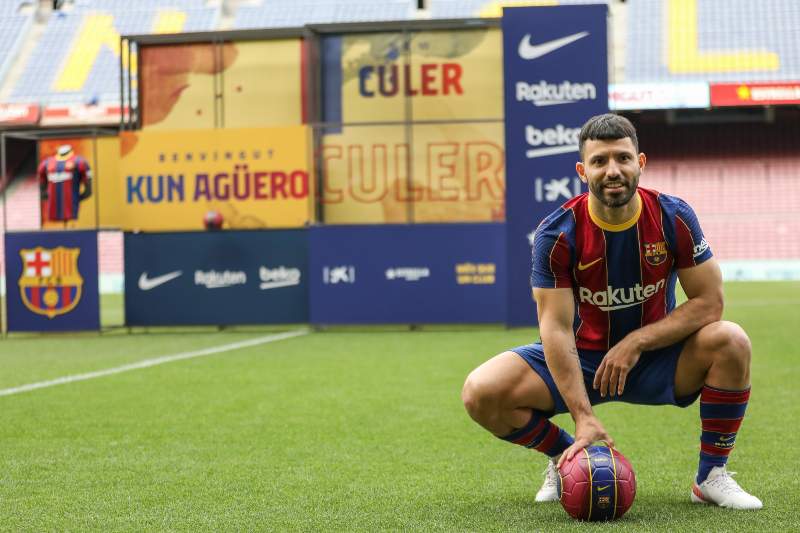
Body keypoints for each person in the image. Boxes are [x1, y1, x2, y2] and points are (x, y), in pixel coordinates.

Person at [462, 113, 762, 510]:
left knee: (732, 341)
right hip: (582, 360)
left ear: (641, 162)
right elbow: (554, 329)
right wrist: (582, 416)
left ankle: (711, 476)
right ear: (582, 171)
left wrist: (636, 341)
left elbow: (710, 303)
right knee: (481, 392)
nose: (612, 170)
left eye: (622, 158)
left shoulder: (674, 217)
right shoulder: (556, 234)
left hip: (658, 355)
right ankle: (567, 456)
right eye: (599, 161)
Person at [38, 144, 92, 222]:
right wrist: (44, 194)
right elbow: (41, 180)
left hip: (71, 207)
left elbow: (88, 188)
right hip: (53, 208)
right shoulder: (46, 163)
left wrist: (80, 197)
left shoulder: (80, 162)